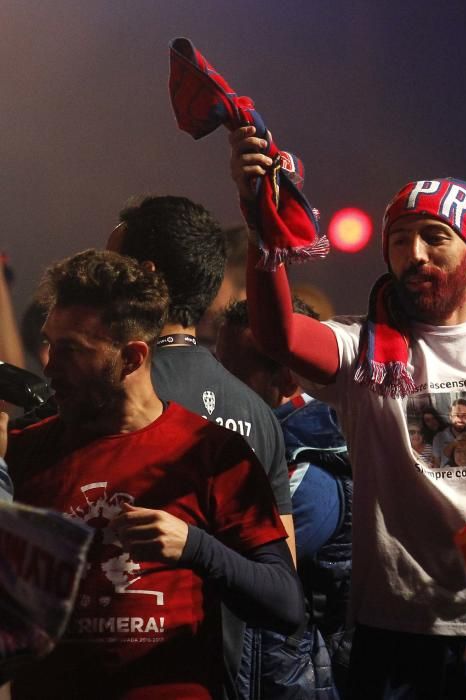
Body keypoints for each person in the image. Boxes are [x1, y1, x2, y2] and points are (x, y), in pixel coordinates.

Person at [231, 126, 466, 698]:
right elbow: (277, 334)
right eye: (400, 241)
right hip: (398, 633)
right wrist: (263, 224)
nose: (414, 255)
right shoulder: (365, 350)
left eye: (435, 237)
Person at [2, 249, 302, 699]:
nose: (48, 367)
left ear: (131, 357)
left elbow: (285, 603)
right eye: (49, 343)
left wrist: (196, 547)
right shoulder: (25, 451)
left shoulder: (210, 452)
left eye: (71, 351)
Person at [106, 195, 297, 694]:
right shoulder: (258, 413)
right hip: (224, 679)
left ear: (143, 273)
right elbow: (281, 575)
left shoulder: (109, 395)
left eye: (110, 266)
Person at [217, 298, 353, 698]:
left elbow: (243, 563)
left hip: (291, 680)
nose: (215, 385)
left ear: (290, 379)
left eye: (231, 373)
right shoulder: (266, 442)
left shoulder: (312, 468)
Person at [431, 398, 466, 467]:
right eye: (457, 415)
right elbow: (436, 465)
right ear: (450, 417)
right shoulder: (439, 437)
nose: (460, 419)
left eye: (464, 415)